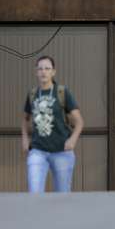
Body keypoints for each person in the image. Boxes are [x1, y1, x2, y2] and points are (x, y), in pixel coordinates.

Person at [22, 55, 84, 193]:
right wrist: (25, 139)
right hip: (38, 151)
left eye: (47, 68)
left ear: (53, 72)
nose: (43, 71)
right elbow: (25, 119)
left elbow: (79, 121)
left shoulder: (62, 92)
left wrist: (72, 140)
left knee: (62, 197)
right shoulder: (32, 94)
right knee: (34, 194)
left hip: (62, 151)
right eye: (40, 69)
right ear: (36, 72)